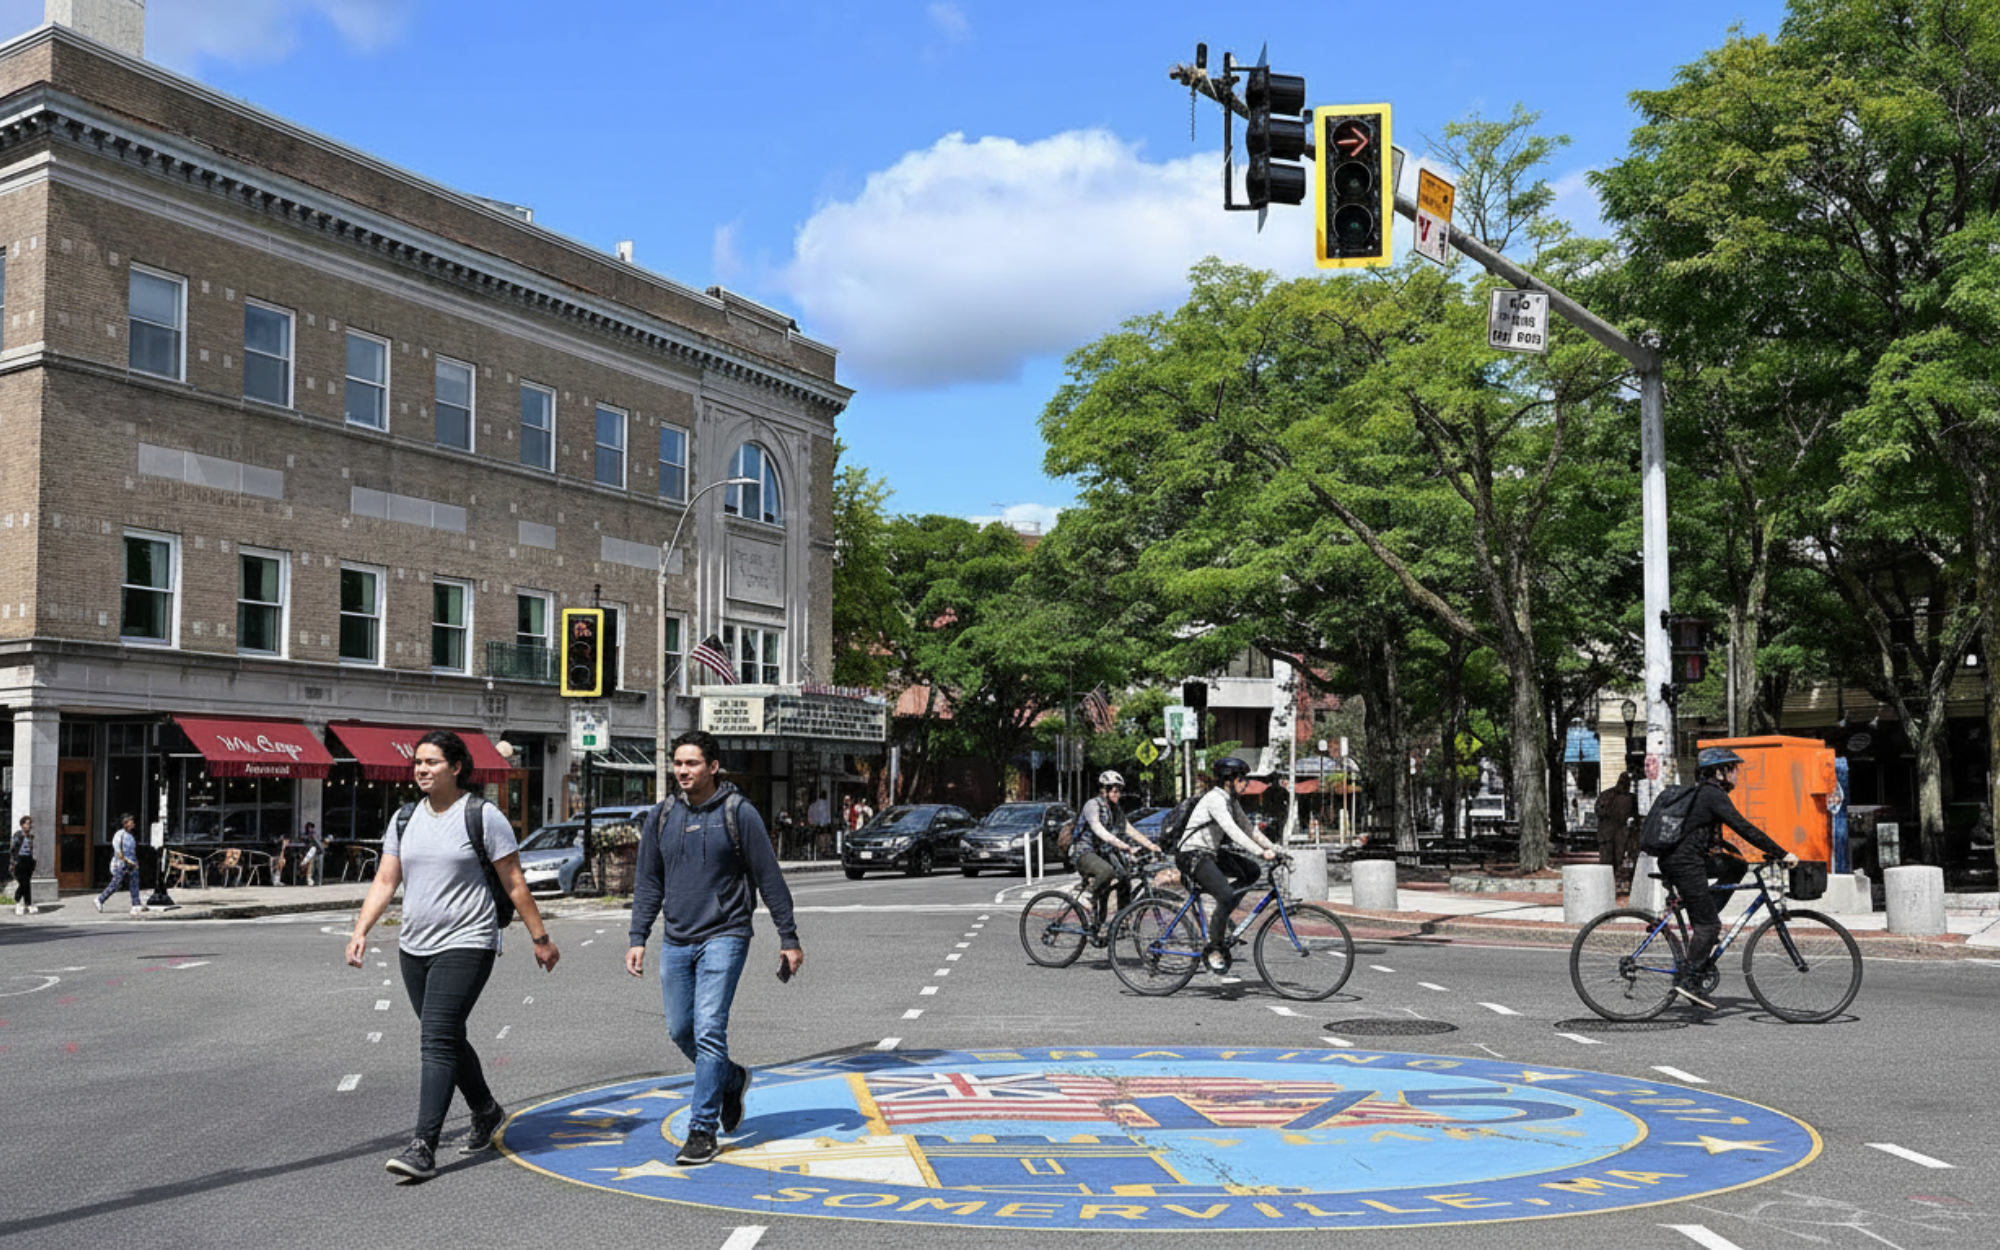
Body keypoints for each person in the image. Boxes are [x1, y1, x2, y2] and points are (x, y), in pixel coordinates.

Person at [345, 730, 560, 1182]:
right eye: (417, 762)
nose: (421, 769)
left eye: (432, 762)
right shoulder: (404, 819)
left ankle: (424, 1144)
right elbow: (386, 881)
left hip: (469, 940)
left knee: (436, 1037)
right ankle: (485, 1109)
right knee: (443, 1034)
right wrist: (361, 930)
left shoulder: (483, 816)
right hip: (414, 945)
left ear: (456, 767)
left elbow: (514, 882)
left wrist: (539, 937)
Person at [626, 730, 803, 1167]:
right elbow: (648, 881)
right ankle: (731, 1078)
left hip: (726, 934)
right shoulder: (661, 815)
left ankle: (701, 1130)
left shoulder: (738, 813)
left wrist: (788, 937)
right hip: (677, 938)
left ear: (713, 767)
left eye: (692, 764)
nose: (683, 771)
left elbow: (769, 877)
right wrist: (637, 937)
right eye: (678, 763)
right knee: (680, 1029)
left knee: (708, 1030)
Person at [1659, 747, 1799, 1008]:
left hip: (1690, 860)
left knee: (1736, 867)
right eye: (1734, 769)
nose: (1737, 775)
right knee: (1709, 926)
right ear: (1720, 771)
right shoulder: (1712, 795)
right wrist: (1782, 853)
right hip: (1685, 864)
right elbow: (1743, 827)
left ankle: (1703, 914)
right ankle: (1688, 982)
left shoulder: (1705, 794)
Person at [1177, 758, 1281, 974]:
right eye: (1242, 779)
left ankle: (1222, 915)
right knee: (1225, 894)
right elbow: (1232, 831)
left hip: (1210, 853)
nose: (1245, 784)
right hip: (1191, 855)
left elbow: (1249, 830)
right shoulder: (1215, 799)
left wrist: (1275, 849)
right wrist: (1261, 852)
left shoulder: (1232, 801)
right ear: (1229, 780)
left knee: (1252, 871)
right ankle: (1215, 947)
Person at [1071, 771, 1162, 931]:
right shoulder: (1092, 805)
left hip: (1103, 852)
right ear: (1103, 790)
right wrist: (1124, 846)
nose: (1116, 793)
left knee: (1125, 878)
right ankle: (1088, 897)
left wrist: (1151, 845)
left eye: (1119, 789)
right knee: (1106, 871)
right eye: (1112, 789)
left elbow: (1128, 829)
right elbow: (1099, 830)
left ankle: (1122, 919)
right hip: (1084, 851)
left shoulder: (1115, 809)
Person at [96, 813, 146, 914]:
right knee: (116, 883)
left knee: (134, 882)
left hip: (131, 863)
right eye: (131, 822)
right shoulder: (119, 835)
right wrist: (128, 862)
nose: (133, 824)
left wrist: (134, 863)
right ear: (125, 823)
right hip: (121, 864)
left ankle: (136, 904)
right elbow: (118, 852)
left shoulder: (131, 837)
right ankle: (100, 899)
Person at [1595, 772, 1638, 889]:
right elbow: (1599, 811)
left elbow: (1599, 811)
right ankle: (1606, 886)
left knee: (1611, 861)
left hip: (1613, 832)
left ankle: (1607, 886)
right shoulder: (1617, 796)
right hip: (1613, 832)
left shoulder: (1609, 795)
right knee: (1610, 861)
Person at [9, 815, 34, 916]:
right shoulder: (18, 836)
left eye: (30, 824)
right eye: (27, 823)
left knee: (27, 882)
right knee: (23, 883)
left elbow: (31, 850)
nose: (29, 826)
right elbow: (13, 849)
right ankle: (18, 901)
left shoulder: (31, 837)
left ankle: (28, 903)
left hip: (28, 860)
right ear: (22, 825)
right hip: (19, 861)